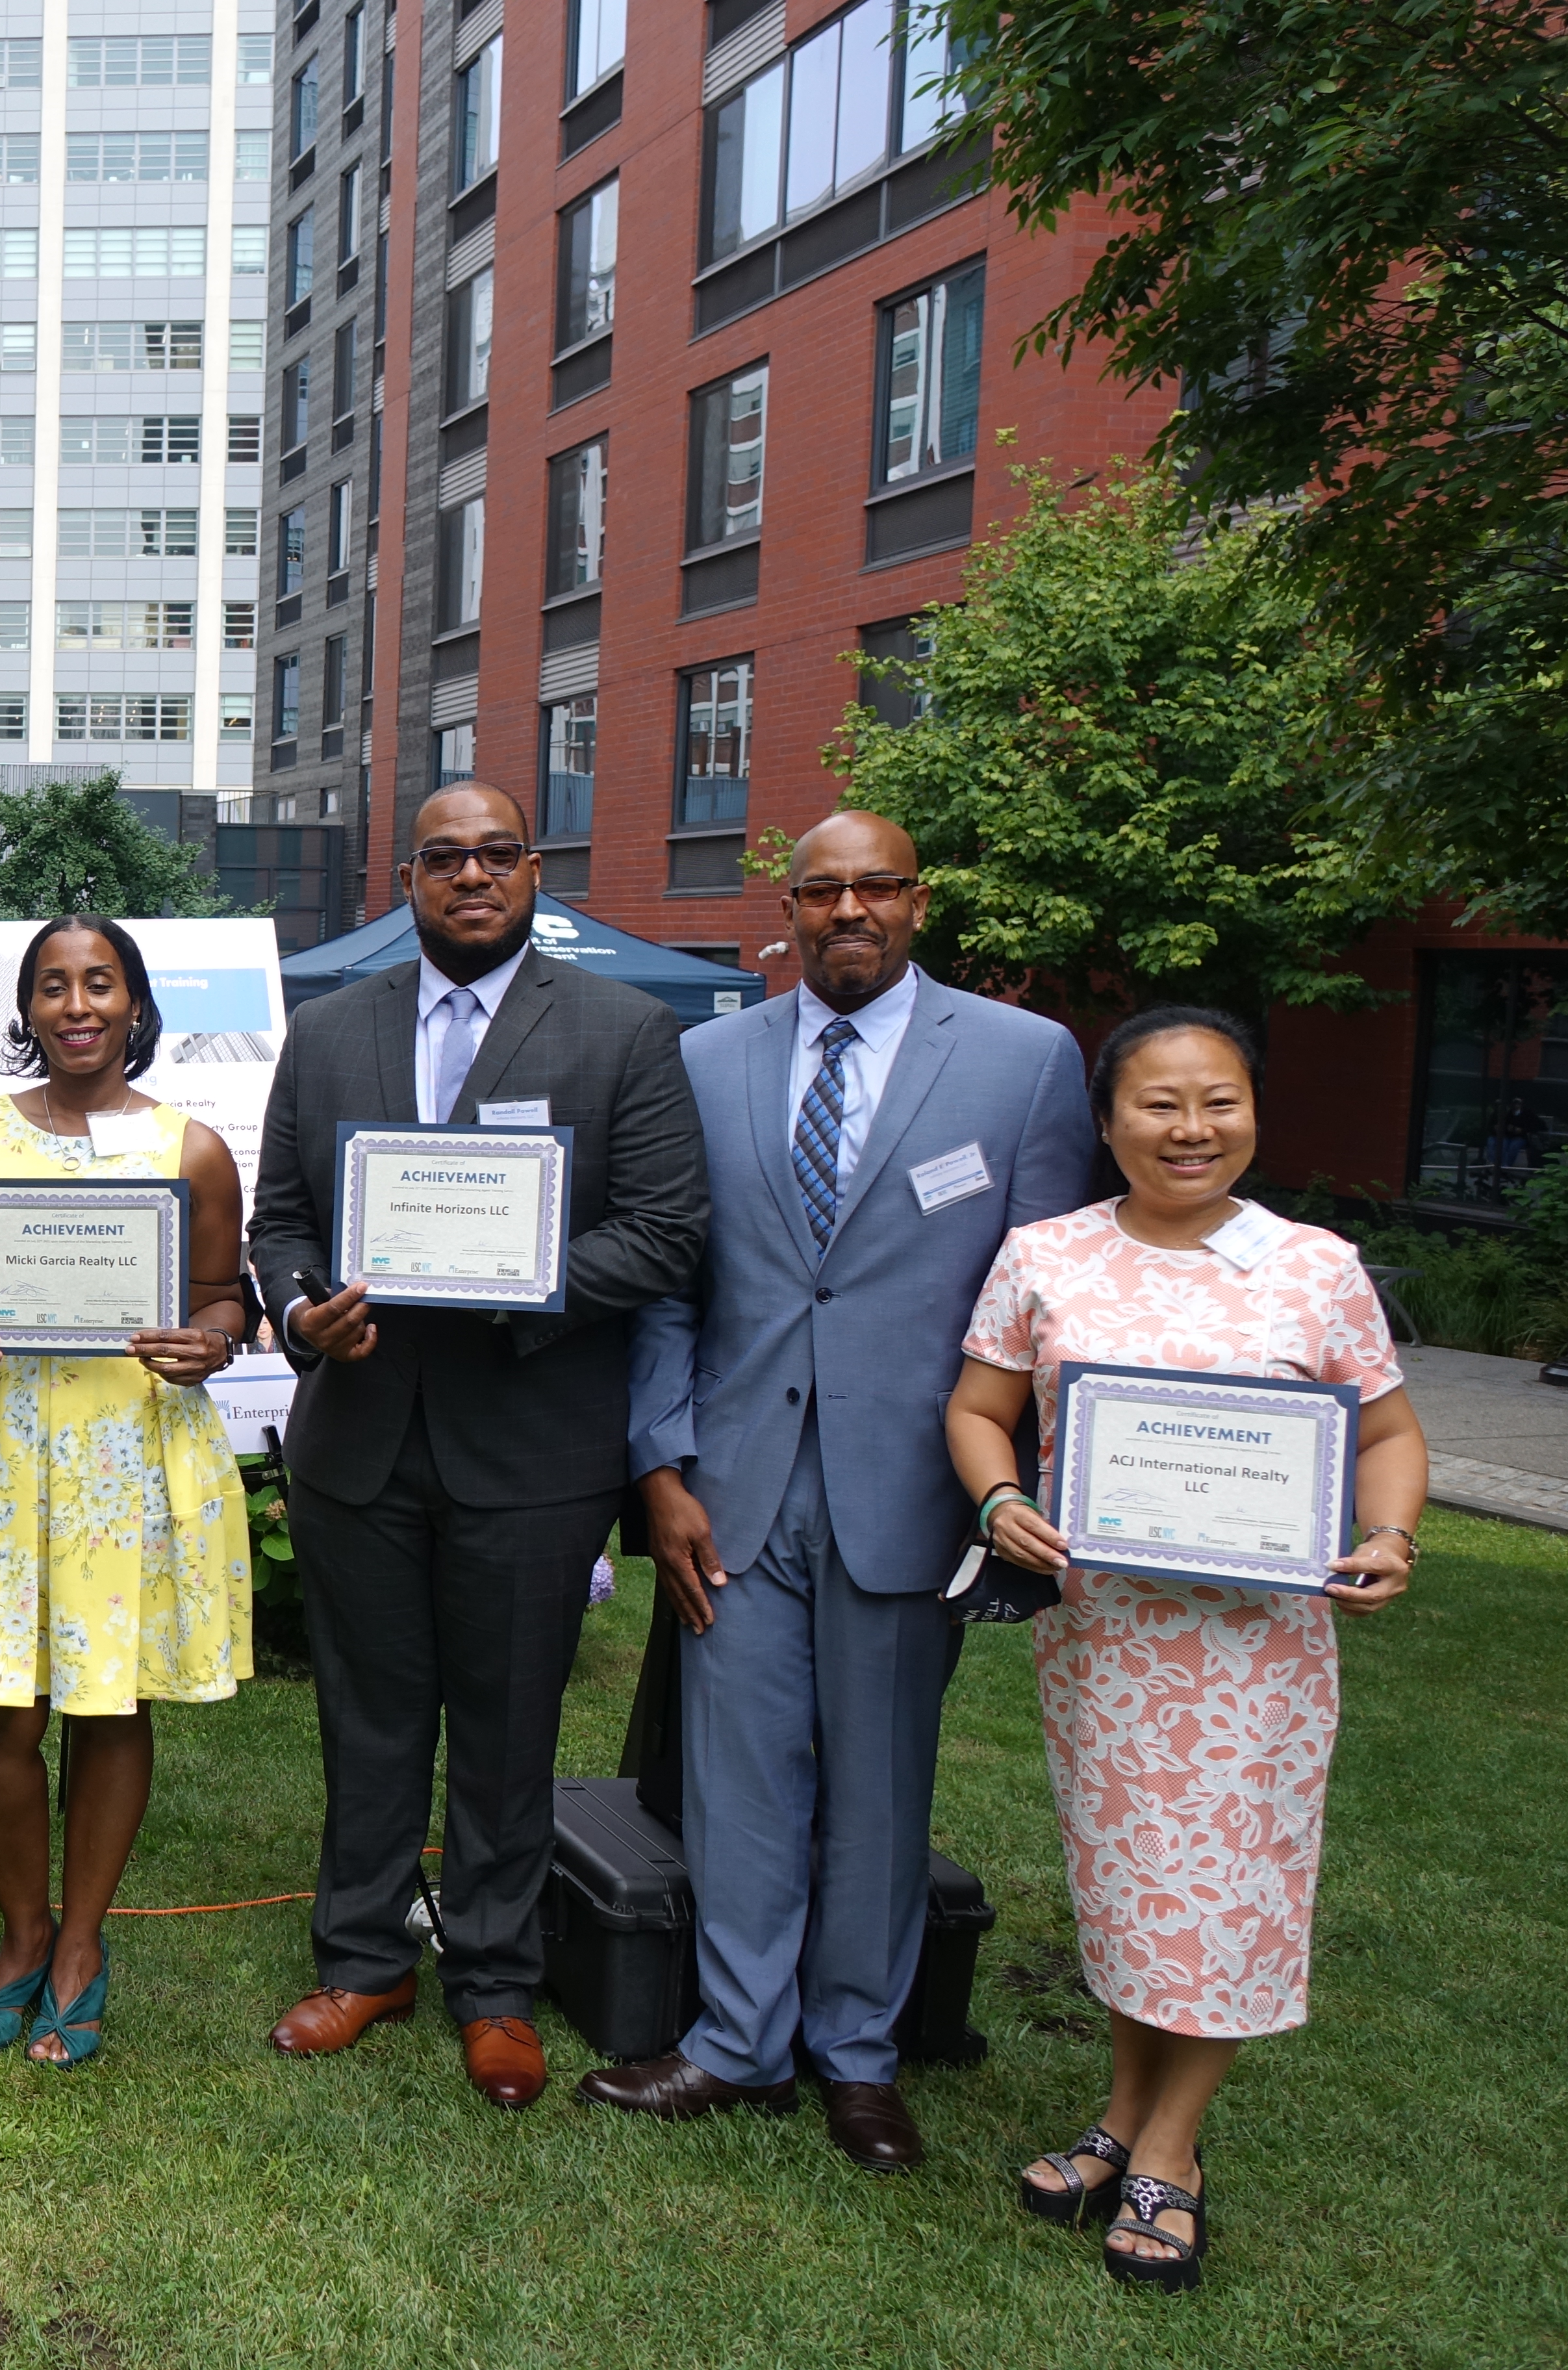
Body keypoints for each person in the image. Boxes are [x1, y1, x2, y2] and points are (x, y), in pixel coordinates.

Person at [585, 811, 1088, 2168]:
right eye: (821, 891)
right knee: (741, 1780)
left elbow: (1046, 1300)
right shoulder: (702, 1062)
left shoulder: (1025, 1065)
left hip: (915, 1492)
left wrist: (1022, 1497)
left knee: (879, 1786)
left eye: (875, 888)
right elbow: (671, 1294)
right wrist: (661, 1469)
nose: (847, 910)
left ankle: (857, 2054)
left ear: (919, 904)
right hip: (732, 1490)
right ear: (788, 910)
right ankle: (739, 2044)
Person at [948, 1007, 1427, 2293]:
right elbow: (981, 1406)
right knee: (1131, 1888)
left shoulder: (1314, 1267)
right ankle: (1120, 2106)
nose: (1191, 1128)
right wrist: (1001, 1502)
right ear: (1107, 1121)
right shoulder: (1046, 1256)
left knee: (1225, 1900)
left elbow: (1386, 1433)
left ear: (1255, 1112)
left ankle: (1171, 2148)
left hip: (1256, 1655)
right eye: (1160, 1104)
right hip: (1106, 1648)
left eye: (1219, 1100)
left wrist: (1391, 1537)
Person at [246, 780, 707, 2109]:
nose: (471, 876)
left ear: (535, 871)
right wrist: (298, 1308)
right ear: (409, 879)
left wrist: (521, 1282)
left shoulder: (624, 1032)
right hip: (363, 1439)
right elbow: (280, 1218)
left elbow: (670, 1227)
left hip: (535, 1437)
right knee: (371, 1720)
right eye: (444, 857)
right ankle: (364, 1956)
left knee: (510, 1728)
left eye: (496, 855)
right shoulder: (332, 1034)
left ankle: (497, 1983)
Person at [0, 918, 253, 2068]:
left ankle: (82, 1944)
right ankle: (22, 1929)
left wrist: (209, 1342)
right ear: (27, 1008)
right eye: (53, 986)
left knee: (107, 1701)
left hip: (130, 1451)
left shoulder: (192, 1150)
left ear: (138, 1005)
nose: (77, 1004)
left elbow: (226, 1299)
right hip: (1, 1443)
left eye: (101, 984)